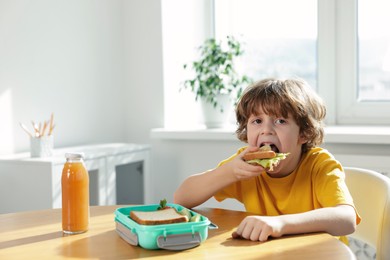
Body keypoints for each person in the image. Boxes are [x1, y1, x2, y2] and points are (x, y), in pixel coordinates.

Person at [174, 77, 360, 244]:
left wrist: (280, 223)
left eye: (280, 121)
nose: (266, 130)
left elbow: (346, 219)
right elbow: (181, 199)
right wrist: (228, 172)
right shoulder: (244, 165)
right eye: (257, 121)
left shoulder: (319, 165)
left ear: (304, 133)